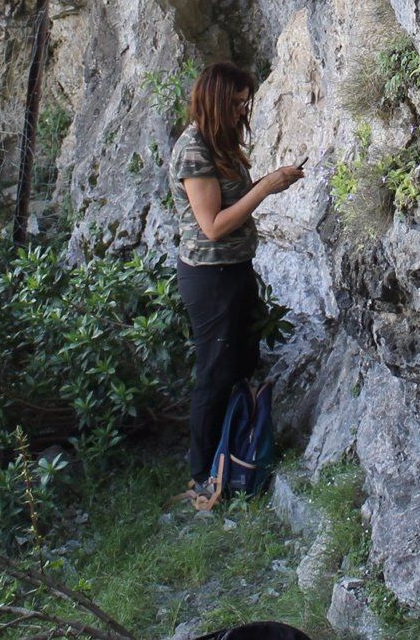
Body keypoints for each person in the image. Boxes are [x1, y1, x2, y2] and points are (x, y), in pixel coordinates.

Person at [169, 59, 303, 508]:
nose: (243, 110)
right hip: (210, 278)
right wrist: (265, 187)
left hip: (234, 271)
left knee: (240, 363)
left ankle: (235, 455)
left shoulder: (219, 143)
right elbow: (213, 226)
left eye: (247, 102)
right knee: (215, 372)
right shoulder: (193, 150)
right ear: (216, 101)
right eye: (237, 102)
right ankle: (202, 476)